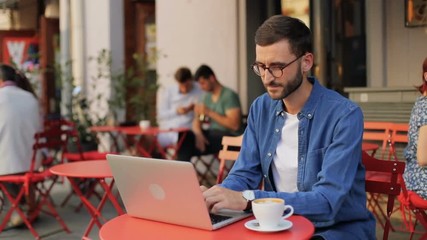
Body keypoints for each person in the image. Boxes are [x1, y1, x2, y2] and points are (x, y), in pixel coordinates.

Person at [201, 15, 375, 239]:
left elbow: (326, 201)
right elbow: (244, 175)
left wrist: (249, 199)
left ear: (306, 62)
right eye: (261, 67)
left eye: (277, 67)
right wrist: (217, 195)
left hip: (334, 231)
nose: (267, 77)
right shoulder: (261, 109)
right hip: (277, 226)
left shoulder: (344, 116)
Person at [0, 63, 42, 227]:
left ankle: (17, 210)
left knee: (8, 158)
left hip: (7, 164)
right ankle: (29, 208)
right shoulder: (30, 97)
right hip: (32, 164)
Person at [177, 64, 243, 162]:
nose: (201, 87)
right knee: (185, 137)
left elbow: (235, 125)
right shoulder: (206, 97)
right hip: (213, 136)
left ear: (212, 78)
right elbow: (196, 121)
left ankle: (181, 173)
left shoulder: (229, 95)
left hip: (231, 137)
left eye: (203, 83)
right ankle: (182, 173)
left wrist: (209, 112)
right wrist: (198, 134)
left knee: (187, 143)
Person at [156, 67, 203, 148]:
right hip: (169, 130)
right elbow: (161, 115)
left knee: (184, 141)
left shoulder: (200, 89)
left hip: (188, 131)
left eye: (187, 85)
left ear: (191, 80)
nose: (184, 89)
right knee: (149, 141)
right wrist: (176, 111)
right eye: (181, 86)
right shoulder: (169, 91)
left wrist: (195, 108)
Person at [403, 57, 427, 200]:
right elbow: (423, 159)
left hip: (413, 177)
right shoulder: (425, 107)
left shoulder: (421, 102)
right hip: (421, 180)